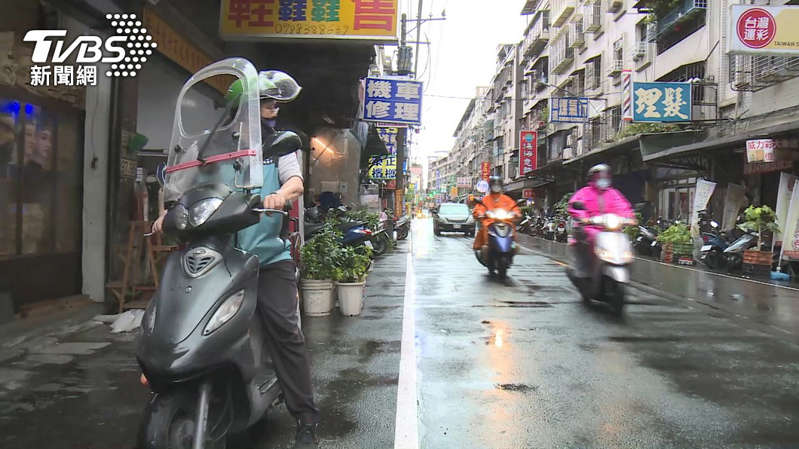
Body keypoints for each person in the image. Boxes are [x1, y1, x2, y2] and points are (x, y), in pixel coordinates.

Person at [152, 70, 320, 449]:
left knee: (284, 330)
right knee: (181, 318)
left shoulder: (280, 144)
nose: (274, 109)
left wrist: (282, 195)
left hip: (265, 256)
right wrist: (169, 213)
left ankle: (306, 418)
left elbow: (295, 182)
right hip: (215, 253)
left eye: (275, 103)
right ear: (243, 107)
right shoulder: (208, 148)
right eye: (267, 102)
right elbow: (185, 187)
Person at [567, 164, 634, 276]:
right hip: (590, 227)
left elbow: (623, 206)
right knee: (591, 236)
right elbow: (574, 205)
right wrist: (583, 217)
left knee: (624, 240)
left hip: (610, 229)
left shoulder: (613, 193)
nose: (602, 179)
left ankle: (623, 265)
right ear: (593, 178)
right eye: (599, 177)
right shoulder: (584, 192)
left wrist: (629, 217)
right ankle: (585, 269)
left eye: (605, 177)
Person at [472, 176, 521, 251]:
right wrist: (480, 213)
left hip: (505, 221)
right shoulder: (486, 199)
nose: (496, 187)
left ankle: (512, 243)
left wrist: (516, 213)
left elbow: (513, 207)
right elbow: (479, 208)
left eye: (498, 186)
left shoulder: (506, 199)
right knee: (484, 227)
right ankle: (485, 244)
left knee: (512, 226)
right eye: (494, 185)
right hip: (490, 221)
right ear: (491, 186)